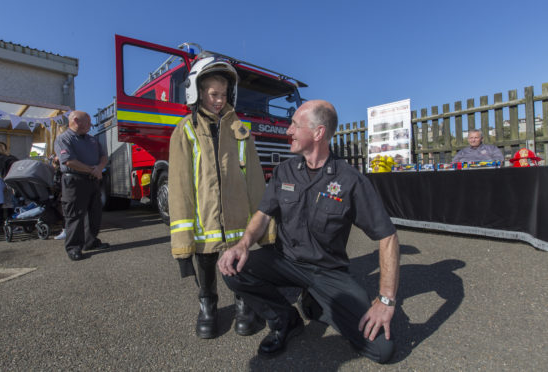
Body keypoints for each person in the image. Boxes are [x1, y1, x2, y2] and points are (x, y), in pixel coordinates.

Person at [218, 100, 400, 363]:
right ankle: (285, 320)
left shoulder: (350, 181)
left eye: (294, 125)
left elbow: (387, 235)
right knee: (233, 267)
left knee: (382, 350)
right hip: (286, 261)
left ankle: (315, 299)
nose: (287, 131)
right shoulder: (284, 171)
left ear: (318, 133)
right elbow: (263, 214)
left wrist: (386, 300)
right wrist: (243, 243)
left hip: (327, 271)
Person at [168, 55, 274, 339]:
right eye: (213, 94)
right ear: (198, 92)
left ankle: (243, 304)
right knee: (205, 261)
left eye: (223, 94)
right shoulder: (184, 131)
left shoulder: (240, 130)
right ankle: (208, 306)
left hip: (238, 217)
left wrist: (265, 227)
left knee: (239, 259)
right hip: (203, 219)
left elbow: (254, 179)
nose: (218, 100)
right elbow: (179, 186)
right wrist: (181, 242)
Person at [54, 111, 109, 261]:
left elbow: (103, 156)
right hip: (74, 181)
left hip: (92, 180)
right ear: (76, 121)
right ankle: (73, 247)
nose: (91, 125)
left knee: (94, 213)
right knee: (75, 216)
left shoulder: (92, 140)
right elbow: (69, 161)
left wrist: (99, 168)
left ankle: (90, 242)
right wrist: (93, 169)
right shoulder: (64, 139)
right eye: (88, 121)